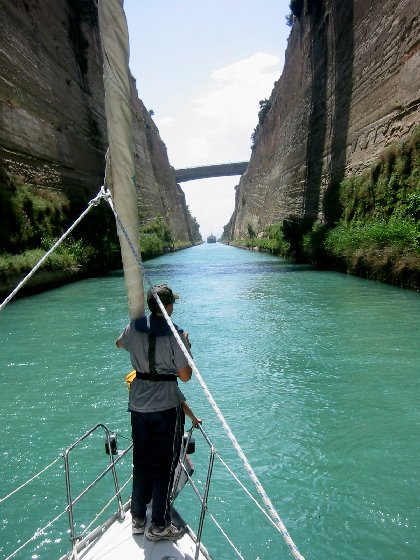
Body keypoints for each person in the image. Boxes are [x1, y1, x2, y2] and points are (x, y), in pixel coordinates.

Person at [116, 284, 197, 542]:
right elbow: (185, 377)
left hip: (138, 405)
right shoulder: (176, 335)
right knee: (164, 465)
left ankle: (138, 517)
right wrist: (187, 349)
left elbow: (119, 343)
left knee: (141, 460)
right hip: (165, 407)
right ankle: (160, 525)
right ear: (169, 306)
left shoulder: (134, 327)